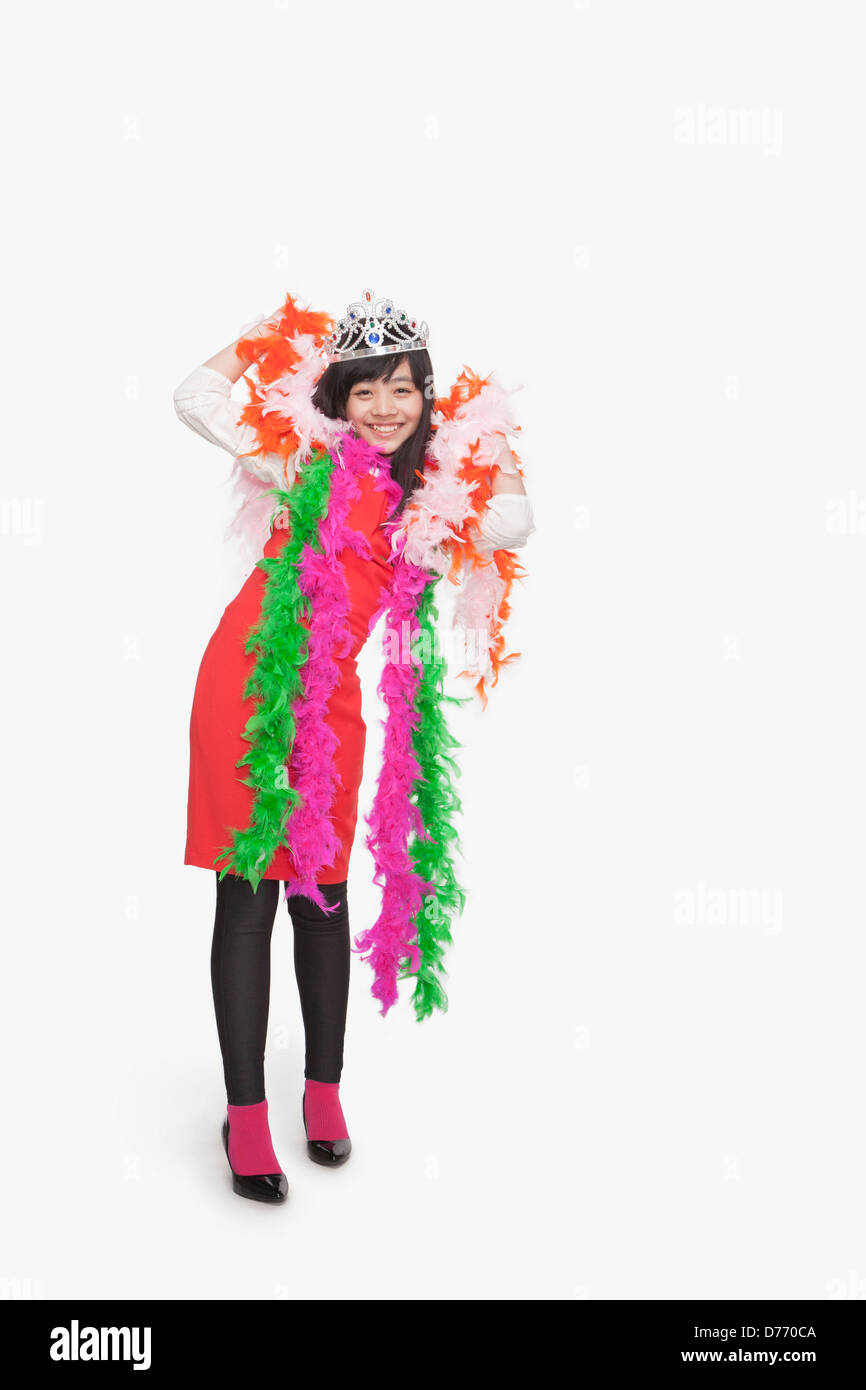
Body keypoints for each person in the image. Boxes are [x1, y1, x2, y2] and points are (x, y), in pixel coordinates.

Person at [173, 288, 536, 1203]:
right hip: (248, 688)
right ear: (336, 396)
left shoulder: (436, 501)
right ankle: (245, 1114)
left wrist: (489, 442)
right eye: (364, 388)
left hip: (330, 704)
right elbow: (192, 399)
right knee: (249, 886)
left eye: (402, 389)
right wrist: (265, 334)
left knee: (324, 895)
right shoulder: (300, 458)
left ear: (426, 397)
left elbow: (513, 525)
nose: (383, 407)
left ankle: (323, 1092)